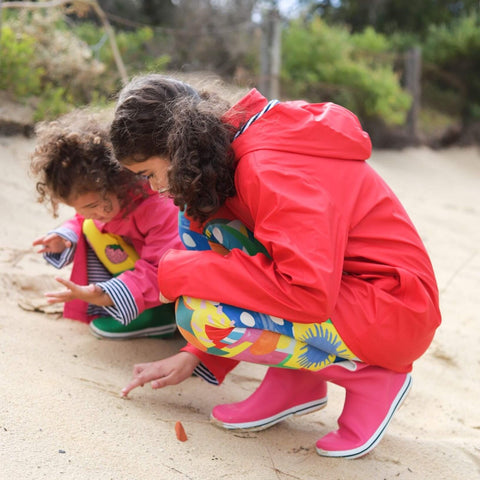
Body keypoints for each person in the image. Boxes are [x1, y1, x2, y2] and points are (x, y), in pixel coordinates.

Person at [111, 74, 441, 459]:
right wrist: (196, 354)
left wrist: (183, 273)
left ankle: (372, 380)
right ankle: (295, 381)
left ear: (177, 146)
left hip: (394, 310)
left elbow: (305, 292)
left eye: (149, 173)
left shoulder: (268, 166)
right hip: (358, 295)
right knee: (203, 221)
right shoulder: (233, 153)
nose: (152, 188)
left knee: (200, 315)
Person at [30, 110, 183, 339]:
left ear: (115, 178)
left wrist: (105, 292)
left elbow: (161, 269)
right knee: (89, 227)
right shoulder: (111, 197)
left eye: (99, 202)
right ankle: (136, 309)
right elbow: (84, 218)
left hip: (178, 282)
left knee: (94, 227)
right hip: (144, 266)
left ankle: (158, 316)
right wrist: (66, 236)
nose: (99, 211)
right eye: (86, 208)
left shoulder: (158, 203)